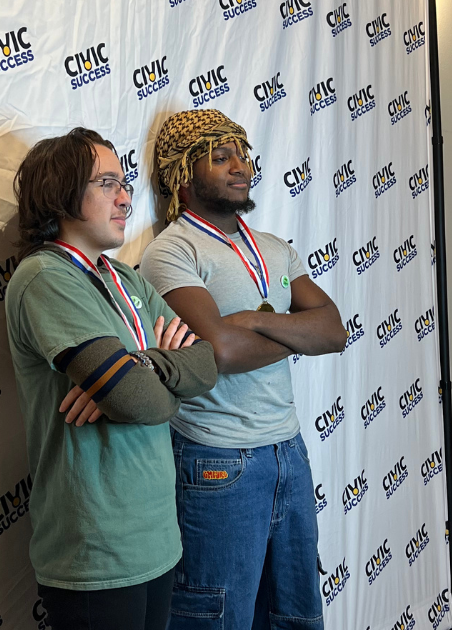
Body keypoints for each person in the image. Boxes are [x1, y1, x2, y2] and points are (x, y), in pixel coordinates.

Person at [139, 109, 348, 629]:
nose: (241, 166)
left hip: (289, 452)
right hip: (217, 459)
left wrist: (255, 320)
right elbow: (220, 353)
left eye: (242, 154)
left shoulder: (275, 248)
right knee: (220, 618)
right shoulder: (172, 251)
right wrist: (295, 333)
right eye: (221, 156)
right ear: (183, 175)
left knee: (296, 614)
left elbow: (333, 331)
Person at [4, 128, 218, 630]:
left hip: (157, 539)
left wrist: (138, 365)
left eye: (124, 184)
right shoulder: (46, 277)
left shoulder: (125, 278)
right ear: (60, 193)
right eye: (106, 184)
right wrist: (142, 382)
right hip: (94, 551)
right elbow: (142, 403)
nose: (125, 198)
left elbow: (206, 364)